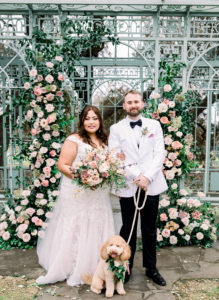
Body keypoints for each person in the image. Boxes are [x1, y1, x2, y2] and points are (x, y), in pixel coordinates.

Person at [36, 105, 115, 286]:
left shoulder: (104, 141)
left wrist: (100, 176)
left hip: (98, 194)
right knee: (76, 225)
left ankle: (97, 265)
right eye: (87, 118)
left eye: (95, 118)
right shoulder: (75, 139)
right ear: (82, 121)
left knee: (96, 223)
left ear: (100, 121)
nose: (91, 122)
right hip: (76, 192)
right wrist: (85, 178)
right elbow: (63, 165)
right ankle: (72, 264)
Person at [108, 90, 168, 286]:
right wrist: (136, 177)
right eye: (129, 102)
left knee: (150, 229)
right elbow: (115, 156)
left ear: (142, 104)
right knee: (128, 229)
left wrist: (148, 177)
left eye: (136, 101)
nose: (133, 105)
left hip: (151, 185)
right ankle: (125, 268)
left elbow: (159, 153)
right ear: (124, 106)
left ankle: (151, 269)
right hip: (128, 185)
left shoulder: (154, 125)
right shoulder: (116, 129)